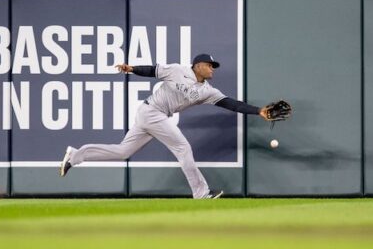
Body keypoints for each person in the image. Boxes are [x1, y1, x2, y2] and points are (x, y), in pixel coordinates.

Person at [60, 53, 271, 199]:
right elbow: (153, 70)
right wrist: (131, 68)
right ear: (198, 66)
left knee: (123, 152)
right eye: (209, 65)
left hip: (155, 115)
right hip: (151, 111)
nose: (212, 69)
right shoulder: (178, 70)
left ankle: (76, 155)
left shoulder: (208, 91)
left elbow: (231, 103)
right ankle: (201, 194)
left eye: (213, 66)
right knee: (183, 148)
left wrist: (258, 111)